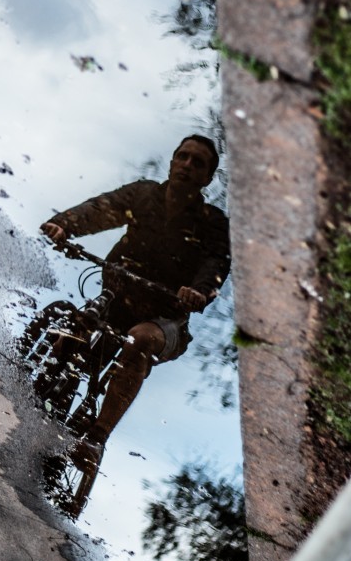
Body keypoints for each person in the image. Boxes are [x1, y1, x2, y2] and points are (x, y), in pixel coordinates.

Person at [39, 135, 231, 468]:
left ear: (207, 178)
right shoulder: (143, 195)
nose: (187, 164)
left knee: (139, 340)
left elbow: (215, 265)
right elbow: (102, 210)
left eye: (197, 162)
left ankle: (95, 439)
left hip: (164, 319)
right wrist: (64, 225)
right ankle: (41, 391)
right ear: (172, 162)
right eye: (182, 156)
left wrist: (197, 291)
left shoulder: (213, 224)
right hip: (116, 299)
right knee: (78, 325)